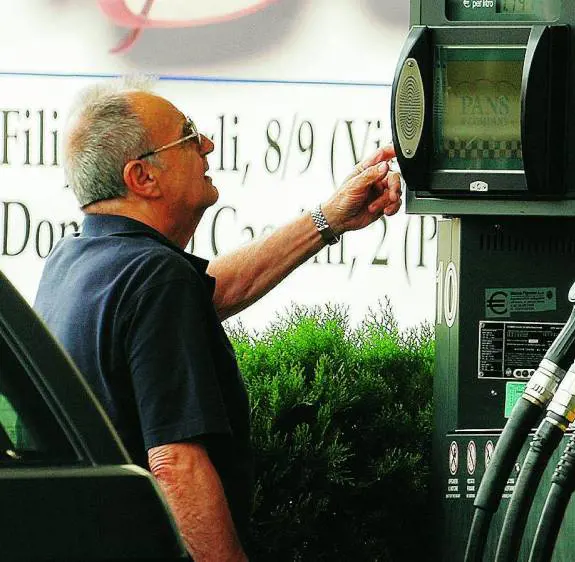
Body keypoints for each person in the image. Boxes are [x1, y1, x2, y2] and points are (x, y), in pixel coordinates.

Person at [33, 77, 402, 562]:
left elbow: (215, 290)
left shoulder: (80, 261)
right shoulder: (155, 277)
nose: (207, 144)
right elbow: (175, 464)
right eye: (188, 135)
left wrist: (329, 217)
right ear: (143, 177)